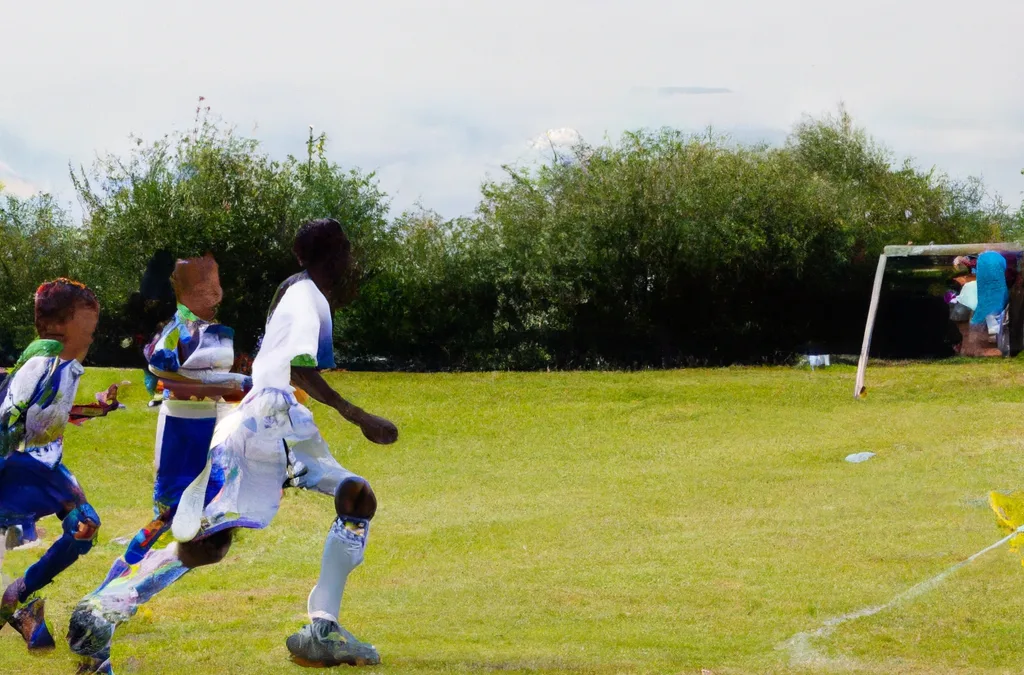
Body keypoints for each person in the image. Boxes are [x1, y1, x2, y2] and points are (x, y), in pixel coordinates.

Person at [69, 219, 398, 673]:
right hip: (269, 418)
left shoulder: (296, 287)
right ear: (336, 255)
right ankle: (106, 607)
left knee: (355, 497)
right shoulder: (308, 298)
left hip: (273, 417)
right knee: (210, 541)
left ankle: (322, 630)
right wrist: (359, 416)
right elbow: (299, 369)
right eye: (346, 251)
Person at [87, 254, 251, 597]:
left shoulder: (218, 332)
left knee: (207, 526)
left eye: (217, 284)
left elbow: (218, 381)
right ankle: (109, 591)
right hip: (181, 431)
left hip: (213, 429)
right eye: (208, 285)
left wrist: (240, 389)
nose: (217, 292)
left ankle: (132, 593)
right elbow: (164, 374)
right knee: (167, 518)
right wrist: (226, 384)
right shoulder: (176, 331)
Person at [0, 279, 102, 650]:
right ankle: (18, 608)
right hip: (20, 466)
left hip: (47, 466)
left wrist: (96, 409)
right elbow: (8, 417)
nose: (91, 340)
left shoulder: (66, 366)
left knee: (85, 527)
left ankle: (18, 594)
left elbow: (52, 411)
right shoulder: (41, 366)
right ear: (61, 328)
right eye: (87, 330)